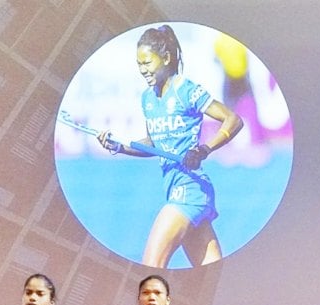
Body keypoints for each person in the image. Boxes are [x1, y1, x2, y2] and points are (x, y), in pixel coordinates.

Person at [97, 24, 243, 269]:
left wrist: (204, 149)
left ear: (165, 58)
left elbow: (233, 120)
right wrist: (119, 147)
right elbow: (152, 143)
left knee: (151, 267)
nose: (143, 70)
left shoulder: (186, 90)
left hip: (189, 189)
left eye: (147, 63)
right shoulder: (148, 98)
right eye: (139, 64)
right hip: (176, 189)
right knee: (211, 277)